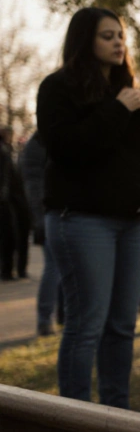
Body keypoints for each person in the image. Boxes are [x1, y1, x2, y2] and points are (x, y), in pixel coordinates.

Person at [37, 7, 140, 407]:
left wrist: (138, 108)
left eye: (120, 36)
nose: (118, 43)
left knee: (122, 326)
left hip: (133, 223)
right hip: (82, 221)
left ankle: (117, 415)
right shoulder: (58, 88)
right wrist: (118, 109)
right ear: (84, 40)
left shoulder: (127, 90)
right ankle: (74, 417)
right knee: (85, 325)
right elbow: (67, 148)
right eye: (107, 35)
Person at [20, 132, 61, 336]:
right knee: (54, 268)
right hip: (49, 215)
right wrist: (40, 218)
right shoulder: (38, 143)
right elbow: (33, 185)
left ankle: (59, 316)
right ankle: (44, 320)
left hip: (59, 212)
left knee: (63, 270)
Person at [0, 128, 29, 280]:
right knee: (9, 237)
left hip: (11, 200)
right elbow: (6, 178)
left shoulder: (8, 150)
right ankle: (8, 271)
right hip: (10, 201)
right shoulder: (4, 151)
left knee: (10, 237)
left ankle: (9, 270)